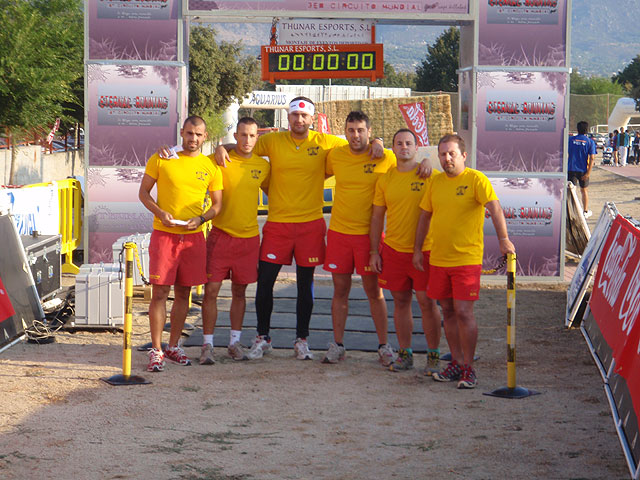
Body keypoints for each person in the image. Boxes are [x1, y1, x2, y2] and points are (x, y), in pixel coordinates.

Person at [214, 97, 384, 360]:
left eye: (304, 116)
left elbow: (358, 141)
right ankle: (263, 337)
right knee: (265, 282)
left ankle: (301, 340)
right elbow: (244, 144)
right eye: (295, 115)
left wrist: (378, 142)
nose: (299, 120)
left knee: (305, 284)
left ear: (312, 119)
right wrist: (220, 147)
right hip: (278, 224)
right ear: (288, 117)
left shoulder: (325, 142)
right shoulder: (273, 141)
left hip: (310, 225)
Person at [413, 133, 515, 389]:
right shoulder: (435, 183)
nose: (447, 158)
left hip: (466, 260)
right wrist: (417, 250)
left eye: (452, 154)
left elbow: (495, 208)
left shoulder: (476, 179)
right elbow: (424, 217)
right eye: (442, 154)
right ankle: (457, 363)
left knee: (463, 312)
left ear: (463, 156)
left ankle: (468, 368)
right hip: (439, 259)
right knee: (447, 311)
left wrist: (503, 239)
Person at [139, 116, 223, 372]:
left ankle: (173, 346)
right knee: (160, 293)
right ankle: (156, 350)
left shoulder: (211, 167)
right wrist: (159, 212)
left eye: (198, 134)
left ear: (205, 137)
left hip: (193, 237)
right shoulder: (162, 158)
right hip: (164, 235)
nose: (193, 139)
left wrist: (201, 219)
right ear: (182, 133)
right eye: (189, 133)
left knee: (184, 293)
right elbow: (143, 193)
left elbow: (217, 205)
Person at [321, 111, 397, 365]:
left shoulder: (385, 157)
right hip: (339, 234)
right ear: (345, 132)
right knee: (339, 291)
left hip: (369, 237)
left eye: (361, 130)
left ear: (369, 132)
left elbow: (408, 169)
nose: (355, 135)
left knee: (374, 292)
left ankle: (384, 346)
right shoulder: (336, 156)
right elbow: (312, 170)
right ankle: (338, 345)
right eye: (351, 130)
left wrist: (426, 163)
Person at [369, 129, 442, 373]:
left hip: (425, 251)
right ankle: (405, 353)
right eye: (399, 143)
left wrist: (428, 162)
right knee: (400, 302)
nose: (404, 147)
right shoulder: (385, 180)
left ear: (416, 147)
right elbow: (377, 218)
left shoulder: (430, 176)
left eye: (408, 143)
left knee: (426, 302)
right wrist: (374, 251)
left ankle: (433, 355)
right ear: (393, 148)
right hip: (394, 251)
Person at [199, 117, 270, 365]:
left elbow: (276, 191)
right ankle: (207, 345)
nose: (247, 140)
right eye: (243, 135)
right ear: (236, 136)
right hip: (220, 236)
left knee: (240, 292)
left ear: (257, 137)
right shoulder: (219, 159)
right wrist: (221, 147)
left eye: (252, 135)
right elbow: (192, 160)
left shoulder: (263, 166)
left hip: (248, 239)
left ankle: (234, 343)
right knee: (211, 290)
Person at [567, 121, 596, 218]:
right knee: (584, 190)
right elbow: (592, 158)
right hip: (583, 170)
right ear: (586, 130)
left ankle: (571, 212)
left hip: (571, 168)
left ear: (577, 129)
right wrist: (588, 173)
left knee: (571, 191)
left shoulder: (570, 140)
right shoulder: (590, 142)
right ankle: (585, 211)